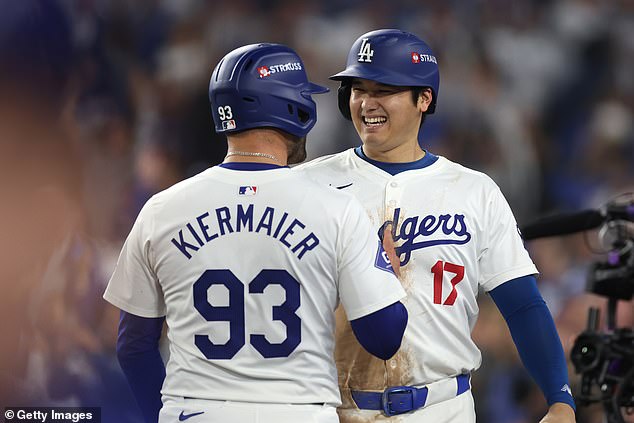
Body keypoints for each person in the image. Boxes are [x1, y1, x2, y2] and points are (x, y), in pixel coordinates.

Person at [103, 43, 408, 423]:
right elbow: (384, 337)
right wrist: (389, 275)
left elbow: (133, 347)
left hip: (196, 411)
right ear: (296, 110)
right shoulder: (335, 208)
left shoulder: (162, 209)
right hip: (297, 413)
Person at [295, 29, 576, 423]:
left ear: (423, 99)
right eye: (358, 89)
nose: (367, 102)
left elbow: (523, 304)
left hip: (442, 408)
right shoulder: (309, 183)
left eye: (384, 89)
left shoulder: (473, 190)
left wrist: (559, 396)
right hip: (334, 408)